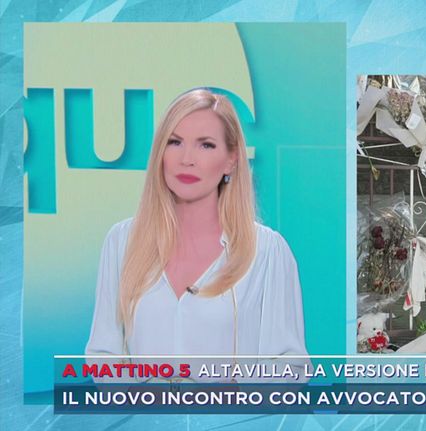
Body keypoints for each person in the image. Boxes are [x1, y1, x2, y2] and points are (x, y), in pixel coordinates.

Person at [85, 89, 307, 372]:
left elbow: (291, 366)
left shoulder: (266, 252)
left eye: (206, 145)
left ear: (231, 159)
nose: (187, 159)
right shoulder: (122, 241)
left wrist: (239, 391)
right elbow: (103, 355)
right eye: (175, 142)